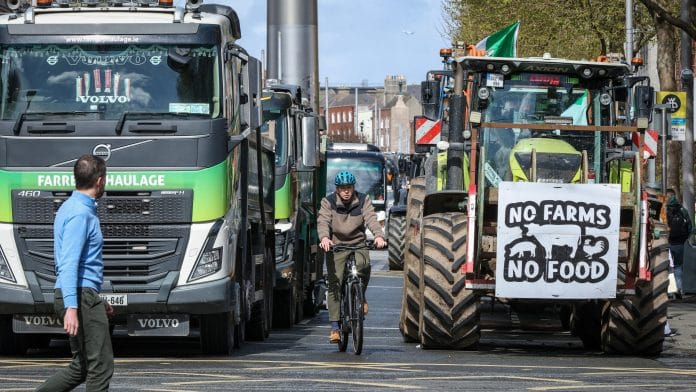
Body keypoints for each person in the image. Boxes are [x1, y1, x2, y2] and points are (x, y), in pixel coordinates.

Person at [36, 155, 113, 392]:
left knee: (81, 366)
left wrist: (95, 301)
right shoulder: (81, 214)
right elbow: (69, 263)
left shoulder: (69, 207)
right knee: (101, 366)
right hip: (78, 296)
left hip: (82, 295)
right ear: (100, 181)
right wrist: (72, 307)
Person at [318, 171, 386, 343]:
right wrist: (324, 238)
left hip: (358, 244)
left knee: (364, 267)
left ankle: (360, 296)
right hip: (337, 245)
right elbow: (323, 221)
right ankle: (335, 328)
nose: (346, 191)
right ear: (337, 189)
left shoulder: (363, 200)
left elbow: (371, 218)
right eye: (342, 188)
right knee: (335, 283)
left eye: (349, 188)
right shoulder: (328, 202)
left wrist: (378, 236)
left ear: (354, 188)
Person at [665, 188, 693, 299]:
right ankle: (679, 289)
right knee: (678, 266)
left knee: (666, 266)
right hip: (680, 242)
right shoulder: (682, 210)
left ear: (667, 196)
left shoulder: (664, 209)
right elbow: (690, 226)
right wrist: (686, 238)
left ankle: (668, 290)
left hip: (666, 242)